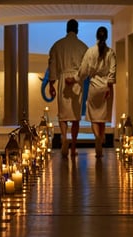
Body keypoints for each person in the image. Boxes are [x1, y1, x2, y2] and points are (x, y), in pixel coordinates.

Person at [66, 26, 116, 158]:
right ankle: (101, 138)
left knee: (94, 117)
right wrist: (109, 87)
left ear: (96, 36)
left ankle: (97, 137)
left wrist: (74, 79)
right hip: (106, 87)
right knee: (103, 118)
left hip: (94, 87)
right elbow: (112, 71)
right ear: (106, 37)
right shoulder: (110, 52)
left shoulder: (90, 51)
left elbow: (83, 71)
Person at [48, 19, 88, 158]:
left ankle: (64, 137)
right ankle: (73, 147)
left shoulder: (57, 45)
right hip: (76, 81)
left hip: (63, 80)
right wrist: (77, 78)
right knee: (76, 117)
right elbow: (85, 69)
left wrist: (51, 84)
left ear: (67, 29)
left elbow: (52, 65)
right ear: (77, 29)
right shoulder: (83, 47)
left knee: (63, 116)